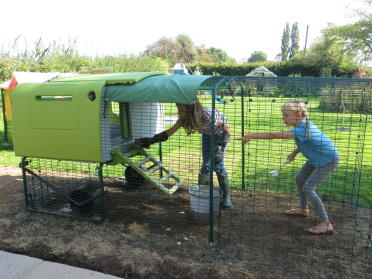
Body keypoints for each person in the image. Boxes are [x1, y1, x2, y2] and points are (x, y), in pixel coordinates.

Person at [236, 100, 339, 235]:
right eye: (283, 115)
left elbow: (274, 135)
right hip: (316, 159)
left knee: (308, 188)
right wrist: (295, 152)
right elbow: (307, 142)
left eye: (286, 115)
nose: (283, 118)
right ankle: (303, 209)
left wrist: (251, 135)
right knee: (300, 179)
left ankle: (326, 223)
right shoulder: (304, 126)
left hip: (328, 160)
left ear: (299, 115)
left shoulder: (303, 127)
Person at [135, 98, 233, 208]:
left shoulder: (208, 116)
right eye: (178, 109)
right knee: (208, 165)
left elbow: (227, 130)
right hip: (207, 135)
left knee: (216, 165)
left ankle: (226, 197)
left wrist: (219, 150)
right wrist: (150, 140)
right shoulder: (184, 119)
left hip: (220, 135)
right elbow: (168, 133)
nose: (178, 113)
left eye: (181, 110)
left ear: (191, 110)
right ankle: (206, 196)